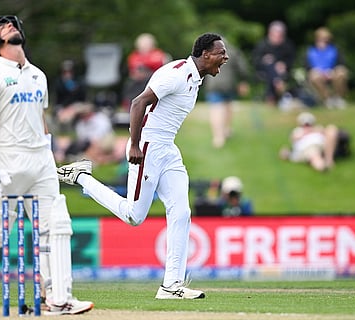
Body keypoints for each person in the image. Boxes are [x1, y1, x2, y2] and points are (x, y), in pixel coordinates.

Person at [58, 33, 229, 299]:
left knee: (181, 212)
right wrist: (135, 145)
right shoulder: (176, 73)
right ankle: (82, 177)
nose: (225, 57)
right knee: (134, 216)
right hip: (147, 147)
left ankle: (171, 285)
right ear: (206, 54)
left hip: (167, 149)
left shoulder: (195, 79)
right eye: (221, 52)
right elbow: (138, 103)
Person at [0, 15, 93, 316]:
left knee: (56, 225)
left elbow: (41, 118)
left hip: (41, 161)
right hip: (8, 160)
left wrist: (51, 155)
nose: (10, 28)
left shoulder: (38, 75)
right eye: (3, 27)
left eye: (13, 25)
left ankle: (58, 298)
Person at [204, 41, 250, 148]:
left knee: (216, 109)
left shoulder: (207, 52)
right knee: (227, 106)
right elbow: (242, 67)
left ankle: (218, 137)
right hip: (229, 84)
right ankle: (226, 130)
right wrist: (243, 80)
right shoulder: (232, 50)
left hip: (213, 83)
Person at [56, 102, 126, 165]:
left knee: (97, 145)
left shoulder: (100, 119)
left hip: (104, 140)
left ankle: (101, 158)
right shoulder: (81, 124)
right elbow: (82, 139)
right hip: (90, 144)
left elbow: (100, 136)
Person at [121, 33, 170, 110]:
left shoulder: (158, 54)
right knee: (129, 84)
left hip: (153, 79)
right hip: (137, 81)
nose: (144, 47)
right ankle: (129, 105)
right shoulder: (134, 56)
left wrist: (144, 64)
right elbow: (132, 68)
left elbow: (159, 63)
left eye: (146, 44)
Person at [252, 20, 296, 105]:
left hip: (283, 71)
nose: (277, 37)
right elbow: (255, 60)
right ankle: (278, 84)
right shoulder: (262, 45)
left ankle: (271, 96)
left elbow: (291, 60)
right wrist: (264, 60)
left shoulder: (287, 45)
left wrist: (284, 64)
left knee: (273, 70)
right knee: (270, 66)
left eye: (279, 35)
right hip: (264, 70)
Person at [305, 27, 349, 109]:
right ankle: (327, 100)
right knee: (314, 75)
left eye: (326, 39)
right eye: (321, 39)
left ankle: (338, 99)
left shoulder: (335, 50)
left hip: (332, 73)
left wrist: (331, 72)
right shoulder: (311, 51)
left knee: (341, 72)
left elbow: (341, 63)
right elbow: (307, 67)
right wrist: (320, 72)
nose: (324, 41)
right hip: (317, 75)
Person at [52, 59, 87, 131]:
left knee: (74, 110)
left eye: (69, 72)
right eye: (65, 72)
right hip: (63, 106)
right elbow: (58, 99)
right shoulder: (59, 83)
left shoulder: (79, 82)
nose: (67, 74)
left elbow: (82, 98)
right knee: (61, 114)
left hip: (76, 105)